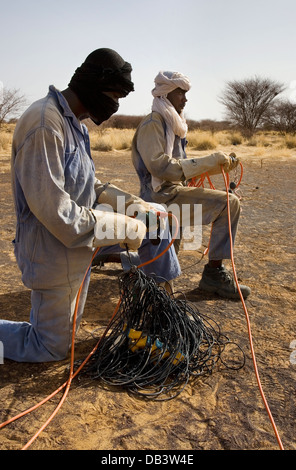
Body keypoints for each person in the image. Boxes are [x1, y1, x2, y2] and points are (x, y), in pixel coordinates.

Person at [0, 50, 180, 363]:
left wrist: (129, 203)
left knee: (158, 223)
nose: (115, 105)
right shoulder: (45, 124)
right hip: (52, 250)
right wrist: (125, 226)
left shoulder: (76, 126)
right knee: (49, 346)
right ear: (92, 86)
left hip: (79, 245)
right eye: (114, 95)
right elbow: (57, 213)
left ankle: (162, 303)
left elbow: (87, 184)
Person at [131, 70, 251, 300]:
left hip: (172, 193)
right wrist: (208, 161)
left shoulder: (173, 124)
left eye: (185, 93)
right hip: (158, 197)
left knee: (164, 254)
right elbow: (161, 167)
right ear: (166, 94)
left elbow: (180, 166)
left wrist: (217, 166)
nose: (185, 99)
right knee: (229, 204)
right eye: (180, 93)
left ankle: (211, 274)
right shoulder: (153, 124)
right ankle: (213, 275)